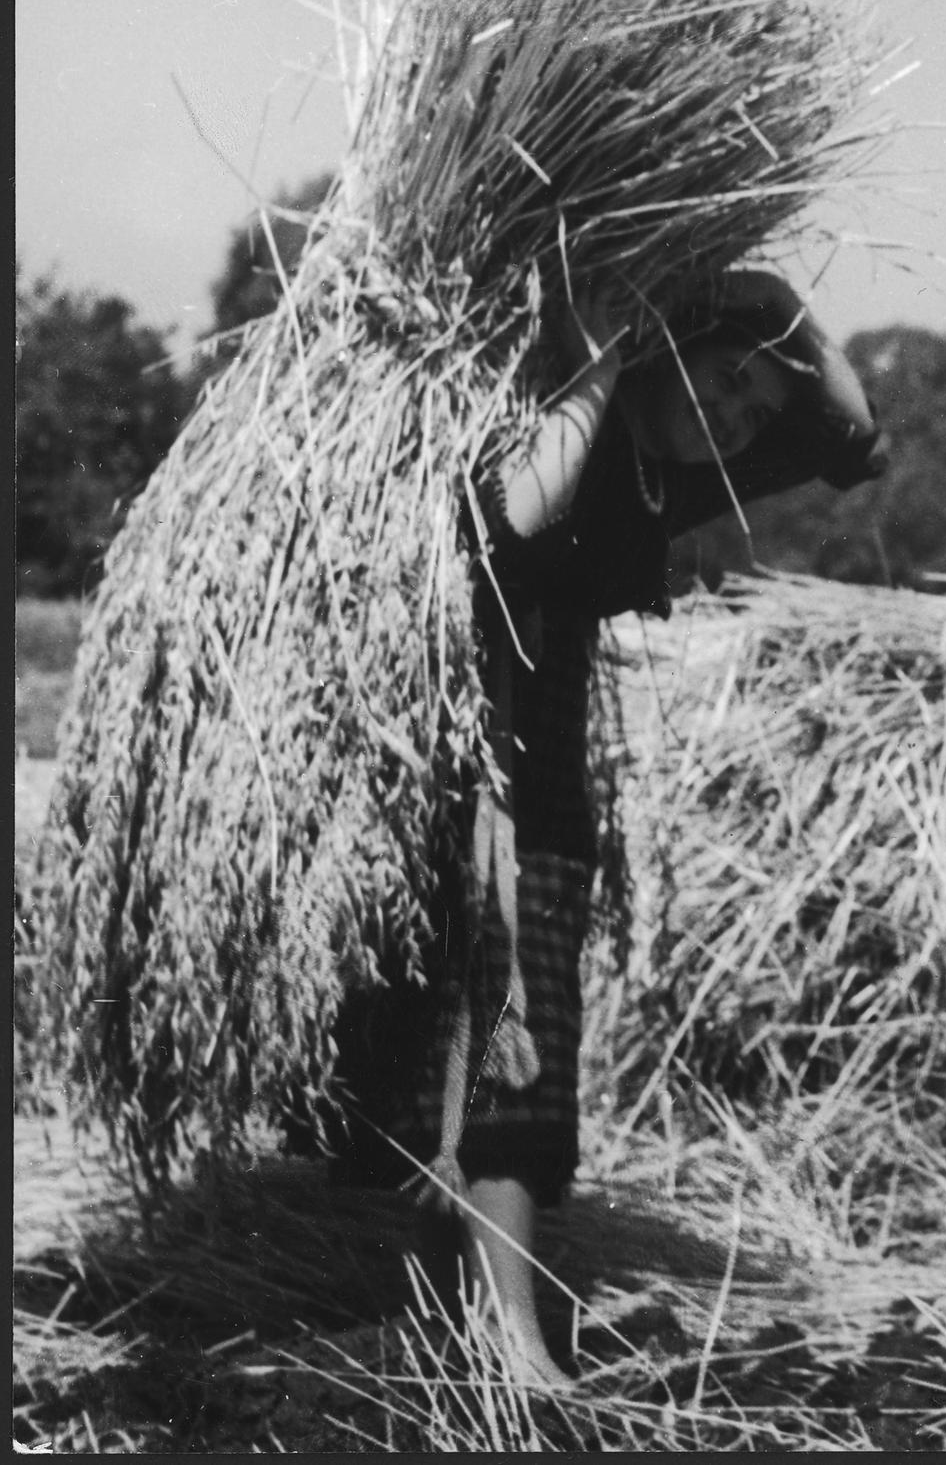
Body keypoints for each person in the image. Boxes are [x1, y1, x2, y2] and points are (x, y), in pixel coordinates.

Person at [302, 268, 881, 1383]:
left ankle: (467, 1329)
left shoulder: (675, 475)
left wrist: (779, 303)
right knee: (490, 1070)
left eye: (755, 407)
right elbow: (518, 519)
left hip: (549, 789)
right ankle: (509, 1346)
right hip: (462, 779)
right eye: (726, 383)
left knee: (516, 1067)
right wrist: (608, 354)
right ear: (669, 350)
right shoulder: (566, 424)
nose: (740, 417)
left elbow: (852, 433)